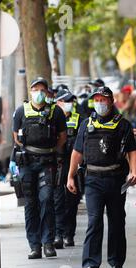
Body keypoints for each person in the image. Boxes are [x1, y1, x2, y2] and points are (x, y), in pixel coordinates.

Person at [66, 86, 136, 268]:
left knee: (116, 221)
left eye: (103, 99)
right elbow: (77, 152)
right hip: (93, 180)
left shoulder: (122, 125)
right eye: (96, 99)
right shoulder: (86, 124)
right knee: (94, 221)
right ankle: (90, 264)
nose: (100, 103)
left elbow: (132, 150)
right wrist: (70, 176)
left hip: (116, 179)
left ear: (111, 101)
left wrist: (134, 171)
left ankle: (116, 262)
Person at [11, 77, 67, 259]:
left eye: (42, 90)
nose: (39, 93)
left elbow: (62, 137)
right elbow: (16, 137)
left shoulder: (55, 112)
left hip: (47, 162)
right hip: (27, 163)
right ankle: (34, 245)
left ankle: (48, 243)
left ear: (47, 92)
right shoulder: (21, 111)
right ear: (31, 91)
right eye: (36, 89)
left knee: (47, 199)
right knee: (31, 203)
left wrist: (50, 150)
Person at [53, 89, 83, 248]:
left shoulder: (79, 119)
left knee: (72, 201)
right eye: (66, 101)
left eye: (71, 101)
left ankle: (68, 235)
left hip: (73, 165)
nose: (69, 104)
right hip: (57, 164)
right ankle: (58, 234)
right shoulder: (52, 118)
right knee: (57, 201)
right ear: (58, 102)